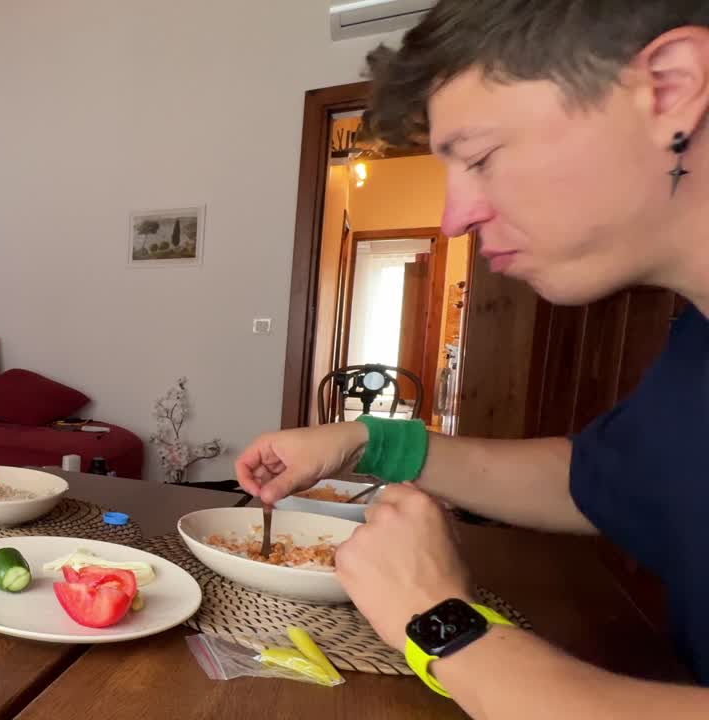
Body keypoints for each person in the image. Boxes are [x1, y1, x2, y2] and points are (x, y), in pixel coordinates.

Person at [237, 1, 709, 715]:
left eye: (482, 157)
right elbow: (598, 480)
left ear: (669, 88)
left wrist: (443, 626)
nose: (455, 215)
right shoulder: (695, 344)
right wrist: (370, 441)